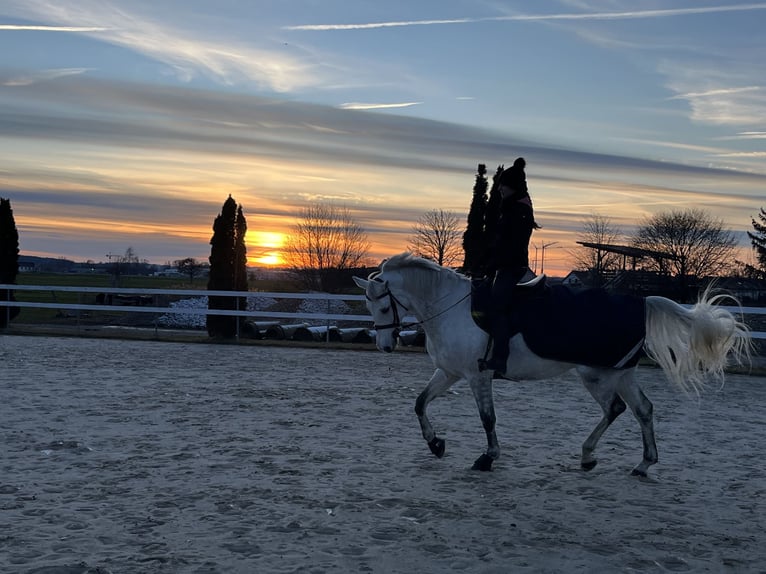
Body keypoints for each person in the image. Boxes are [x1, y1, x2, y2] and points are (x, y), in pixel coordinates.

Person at [479, 157, 538, 375]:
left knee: (497, 307)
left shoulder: (519, 212)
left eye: (504, 185)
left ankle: (500, 358)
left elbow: (511, 246)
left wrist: (492, 264)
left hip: (511, 266)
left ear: (513, 186)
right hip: (505, 265)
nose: (500, 189)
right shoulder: (513, 208)